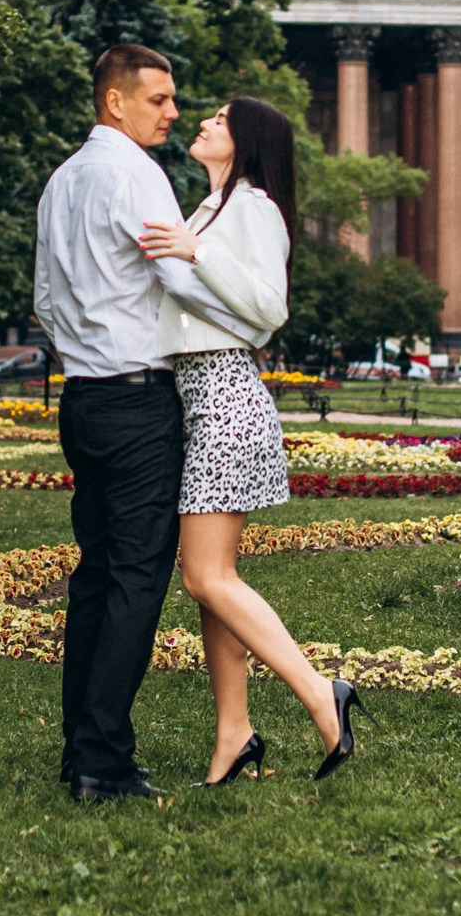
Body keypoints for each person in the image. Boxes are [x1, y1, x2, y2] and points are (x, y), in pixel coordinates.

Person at [139, 97, 365, 787]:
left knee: (207, 576)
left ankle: (322, 694)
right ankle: (233, 735)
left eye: (218, 118)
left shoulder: (253, 207)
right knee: (213, 585)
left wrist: (194, 251)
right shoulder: (207, 208)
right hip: (197, 399)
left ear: (248, 139)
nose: (202, 122)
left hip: (226, 397)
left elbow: (269, 309)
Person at [33, 44, 189, 804]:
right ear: (115, 103)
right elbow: (180, 277)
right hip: (136, 397)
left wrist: (84, 343)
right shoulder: (136, 174)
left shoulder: (63, 181)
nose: (173, 112)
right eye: (158, 99)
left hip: (84, 397)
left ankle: (80, 749)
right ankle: (103, 758)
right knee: (135, 576)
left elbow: (43, 297)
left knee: (96, 576)